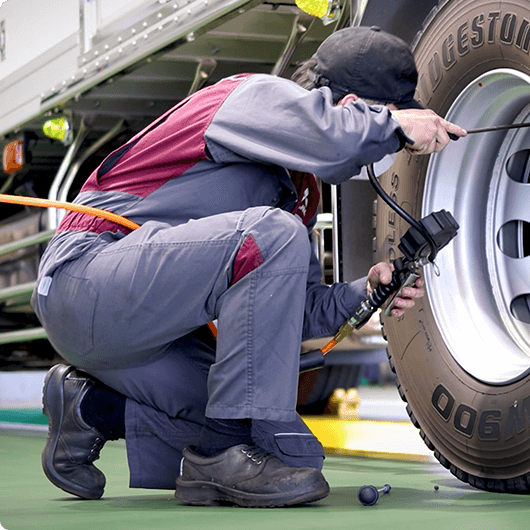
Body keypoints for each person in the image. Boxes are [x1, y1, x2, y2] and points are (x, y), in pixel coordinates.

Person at [31, 26, 466, 508]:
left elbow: (282, 310)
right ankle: (218, 457)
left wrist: (362, 292)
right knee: (271, 236)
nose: (385, 155)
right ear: (351, 108)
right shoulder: (251, 97)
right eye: (386, 129)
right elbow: (329, 139)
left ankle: (89, 408)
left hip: (144, 330)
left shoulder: (299, 189)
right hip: (83, 280)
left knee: (285, 450)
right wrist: (394, 126)